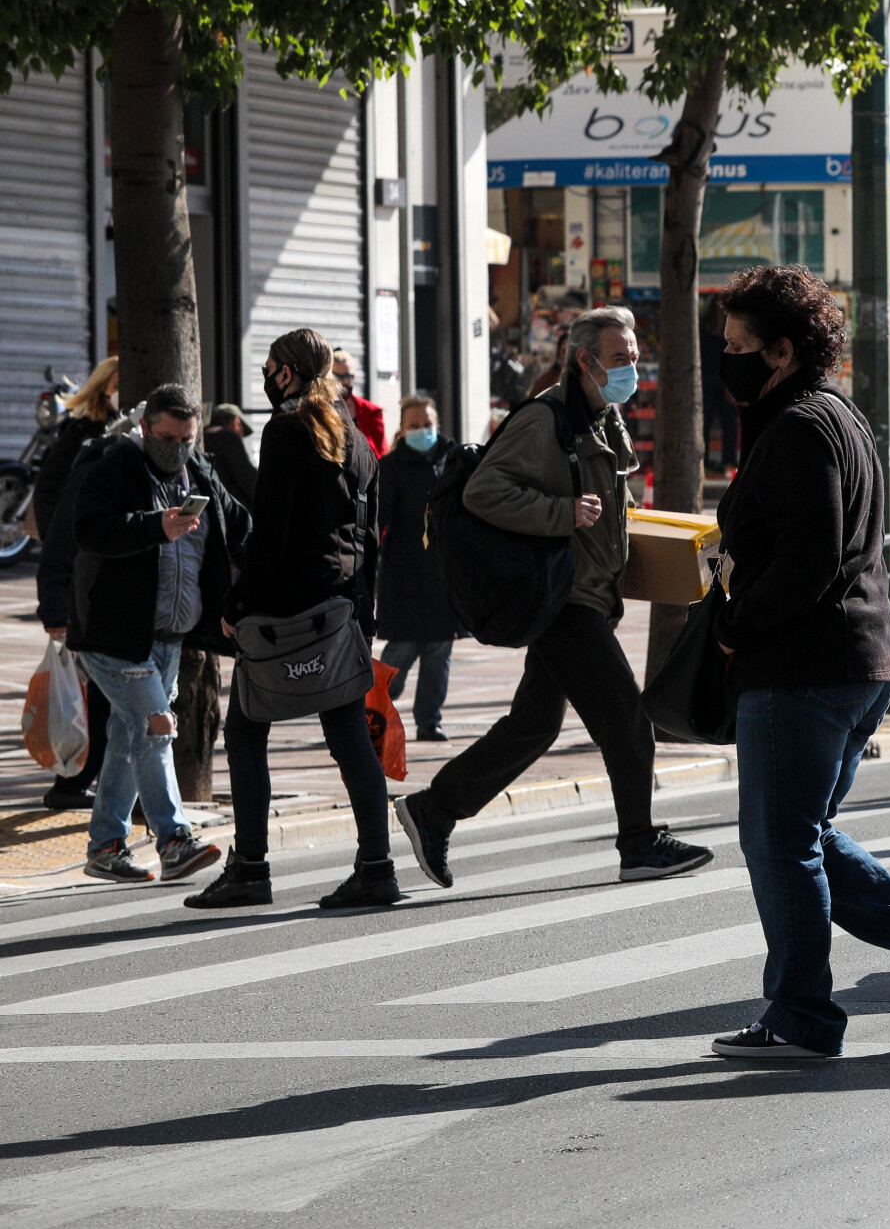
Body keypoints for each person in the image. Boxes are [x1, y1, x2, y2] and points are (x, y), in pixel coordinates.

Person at [703, 267, 890, 1058]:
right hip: (855, 660)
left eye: (738, 347)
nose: (728, 360)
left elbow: (809, 555)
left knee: (779, 842)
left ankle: (801, 1015)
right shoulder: (838, 415)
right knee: (806, 833)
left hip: (802, 666)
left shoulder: (795, 426)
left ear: (783, 352)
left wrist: (734, 623)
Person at [388, 307, 714, 890]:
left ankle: (432, 812)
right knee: (627, 721)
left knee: (534, 725)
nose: (631, 368)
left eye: (634, 357)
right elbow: (485, 491)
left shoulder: (602, 419)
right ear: (585, 361)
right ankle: (639, 844)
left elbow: (605, 509)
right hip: (561, 599)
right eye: (620, 359)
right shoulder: (544, 421)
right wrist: (562, 515)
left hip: (586, 595)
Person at [177, 336, 406, 910]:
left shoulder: (286, 431)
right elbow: (368, 543)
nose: (265, 374)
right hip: (339, 610)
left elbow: (271, 535)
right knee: (351, 740)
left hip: (283, 611)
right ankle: (377, 867)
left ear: (286, 373)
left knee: (246, 733)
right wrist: (365, 619)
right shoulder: (357, 443)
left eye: (271, 367)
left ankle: (251, 868)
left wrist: (235, 606)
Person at [65, 385, 238, 885]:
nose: (177, 447)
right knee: (158, 724)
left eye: (187, 438)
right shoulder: (112, 467)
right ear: (145, 429)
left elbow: (236, 527)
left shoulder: (200, 471)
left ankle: (106, 846)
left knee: (128, 735)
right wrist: (152, 528)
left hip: (169, 637)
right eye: (167, 437)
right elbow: (89, 531)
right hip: (115, 635)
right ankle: (174, 839)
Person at [37, 414, 123, 813]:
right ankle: (75, 788)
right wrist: (55, 612)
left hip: (107, 614)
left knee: (107, 711)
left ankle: (75, 786)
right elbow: (59, 544)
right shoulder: (94, 468)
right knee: (103, 711)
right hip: (89, 614)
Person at [376, 393, 460, 744]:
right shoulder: (392, 466)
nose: (422, 431)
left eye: (427, 424)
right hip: (404, 572)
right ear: (402, 429)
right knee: (402, 647)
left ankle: (429, 721)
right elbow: (379, 518)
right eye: (414, 425)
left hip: (444, 573)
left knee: (439, 650)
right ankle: (374, 709)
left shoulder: (454, 459)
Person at [32, 356, 117, 544]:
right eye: (117, 386)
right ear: (102, 389)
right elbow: (50, 482)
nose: (123, 392)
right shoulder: (82, 429)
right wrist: (54, 535)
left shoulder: (151, 429)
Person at [330, 350, 388, 458]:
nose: (342, 383)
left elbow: (382, 453)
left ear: (354, 378)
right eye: (336, 377)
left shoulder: (371, 412)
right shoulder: (320, 408)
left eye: (347, 377)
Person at [203, 403, 258, 505]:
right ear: (235, 422)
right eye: (241, 429)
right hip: (232, 508)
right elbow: (247, 479)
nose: (240, 435)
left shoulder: (201, 437)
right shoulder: (227, 437)